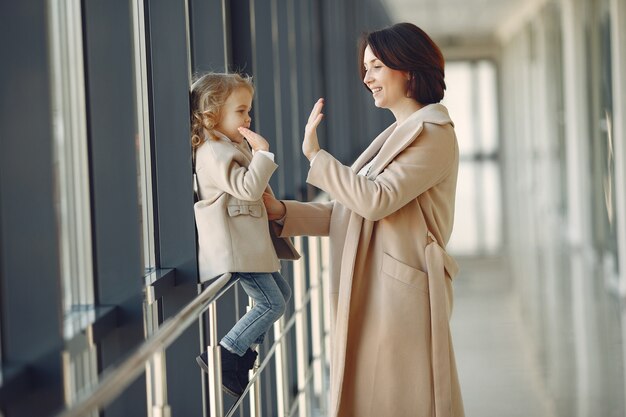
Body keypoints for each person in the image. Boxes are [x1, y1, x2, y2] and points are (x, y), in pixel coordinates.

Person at [259, 23, 465, 417]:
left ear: (406, 67)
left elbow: (376, 200)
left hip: (402, 295)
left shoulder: (435, 134)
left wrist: (315, 156)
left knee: (403, 401)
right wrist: (284, 213)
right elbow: (350, 209)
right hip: (379, 289)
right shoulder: (397, 133)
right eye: (365, 68)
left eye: (375, 66)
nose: (366, 77)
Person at [189, 72, 299, 397]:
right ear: (213, 114)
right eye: (241, 111)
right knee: (272, 304)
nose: (248, 117)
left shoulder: (228, 146)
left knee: (282, 296)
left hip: (248, 243)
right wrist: (263, 152)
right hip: (236, 245)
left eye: (248, 110)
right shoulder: (213, 152)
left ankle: (241, 356)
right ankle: (226, 353)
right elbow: (248, 189)